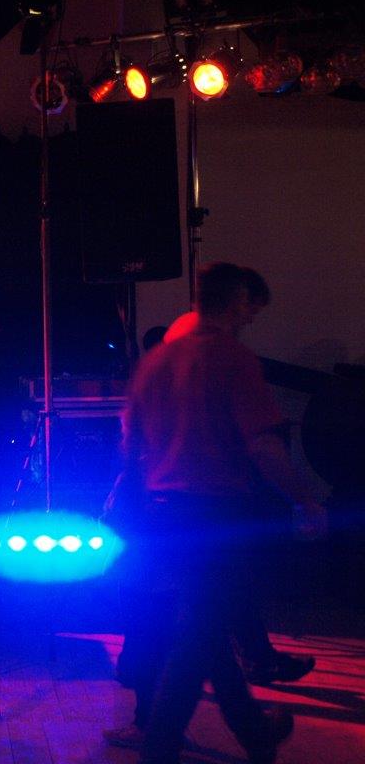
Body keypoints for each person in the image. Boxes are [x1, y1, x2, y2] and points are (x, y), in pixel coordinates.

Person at [111, 262, 326, 764]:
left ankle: (255, 733)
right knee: (199, 635)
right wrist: (306, 498)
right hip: (216, 513)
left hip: (161, 513)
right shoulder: (232, 357)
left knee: (205, 628)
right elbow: (263, 445)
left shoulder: (156, 361)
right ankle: (160, 749)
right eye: (252, 308)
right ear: (236, 301)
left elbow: (128, 445)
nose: (251, 319)